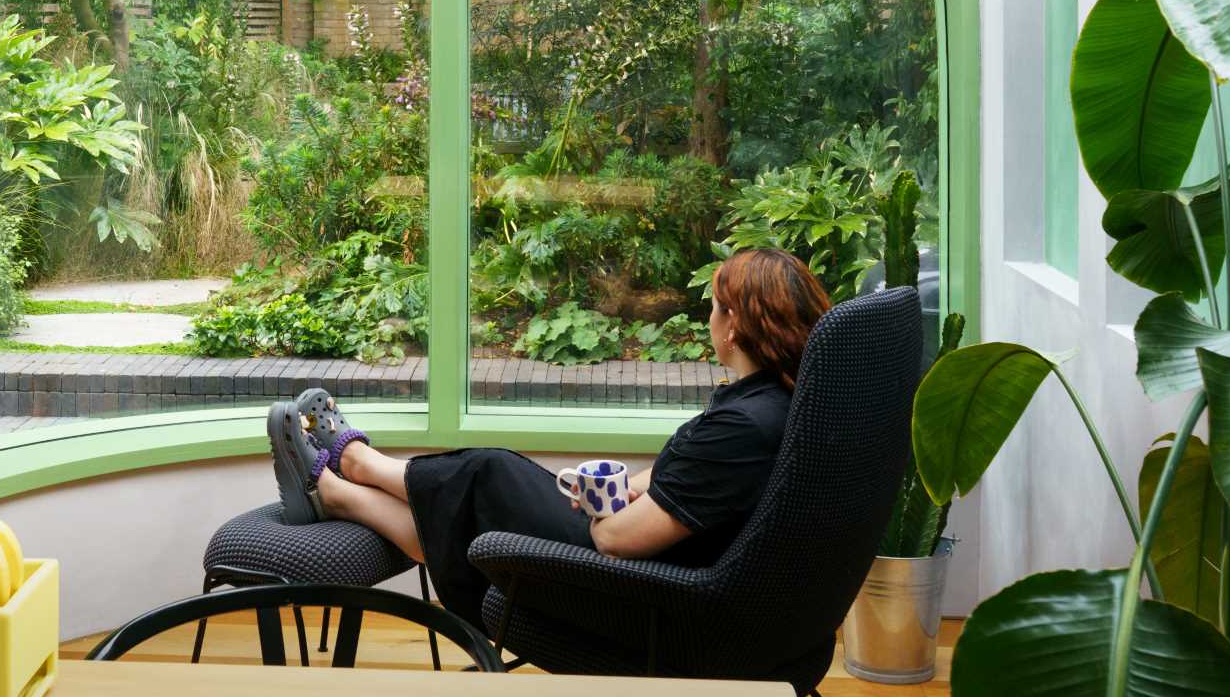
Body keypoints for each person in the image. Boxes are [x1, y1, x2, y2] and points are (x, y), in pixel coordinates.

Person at [265, 246, 830, 630]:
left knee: (487, 474)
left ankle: (355, 467)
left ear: (733, 326)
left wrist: (600, 507)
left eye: (712, 308)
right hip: (670, 553)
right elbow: (690, 484)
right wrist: (624, 486)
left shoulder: (744, 427)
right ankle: (337, 492)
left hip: (633, 583)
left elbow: (615, 542)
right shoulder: (775, 401)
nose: (708, 320)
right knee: (472, 501)